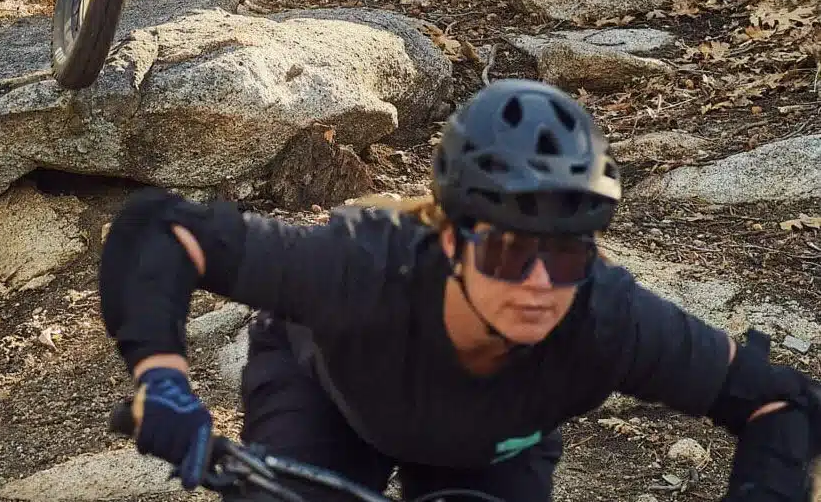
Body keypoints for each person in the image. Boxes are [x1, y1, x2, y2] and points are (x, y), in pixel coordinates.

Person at [98, 79, 821, 501]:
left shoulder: (608, 317)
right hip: (328, 401)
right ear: (450, 241)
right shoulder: (361, 268)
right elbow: (162, 230)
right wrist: (162, 380)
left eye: (567, 257)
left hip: (488, 451)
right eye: (507, 252)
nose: (539, 285)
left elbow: (779, 403)